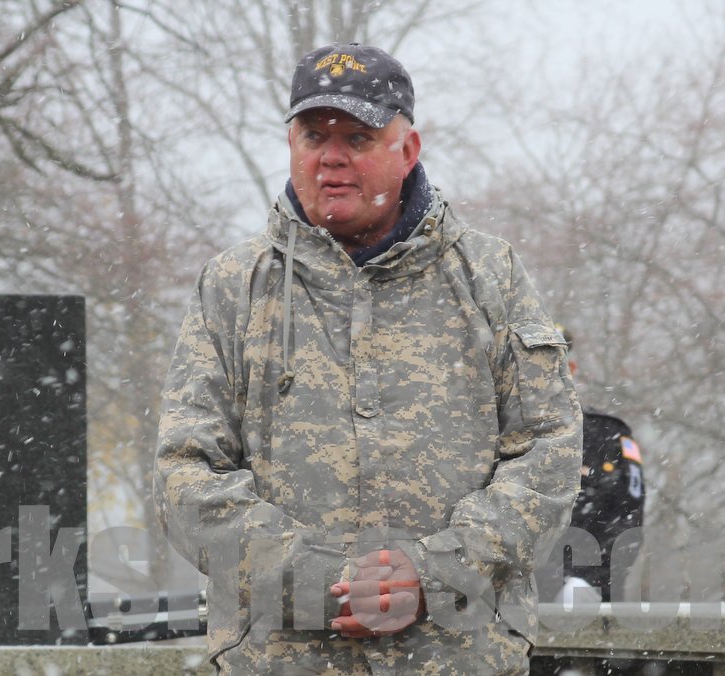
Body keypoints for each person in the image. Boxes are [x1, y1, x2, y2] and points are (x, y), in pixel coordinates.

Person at [154, 42, 582, 675]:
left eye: (358, 137)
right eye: (313, 136)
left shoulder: (491, 276)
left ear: (408, 151)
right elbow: (185, 474)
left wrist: (435, 574)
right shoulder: (233, 286)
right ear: (291, 145)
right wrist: (318, 582)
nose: (331, 157)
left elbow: (548, 454)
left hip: (457, 658)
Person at [532, 326, 647, 676]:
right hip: (507, 611)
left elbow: (627, 521)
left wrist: (585, 579)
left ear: (571, 369)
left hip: (592, 615)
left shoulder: (606, 434)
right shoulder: (491, 434)